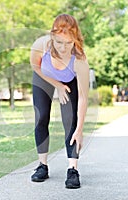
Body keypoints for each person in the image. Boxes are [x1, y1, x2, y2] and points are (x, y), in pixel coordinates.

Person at [30, 14, 89, 189]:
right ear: (52, 37)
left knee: (71, 122)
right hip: (44, 76)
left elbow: (84, 98)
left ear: (75, 40)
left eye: (68, 43)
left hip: (69, 79)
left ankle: (73, 169)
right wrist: (57, 85)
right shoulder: (41, 45)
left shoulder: (79, 60)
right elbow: (36, 66)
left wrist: (79, 130)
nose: (63, 48)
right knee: (41, 117)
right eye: (59, 42)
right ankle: (42, 166)